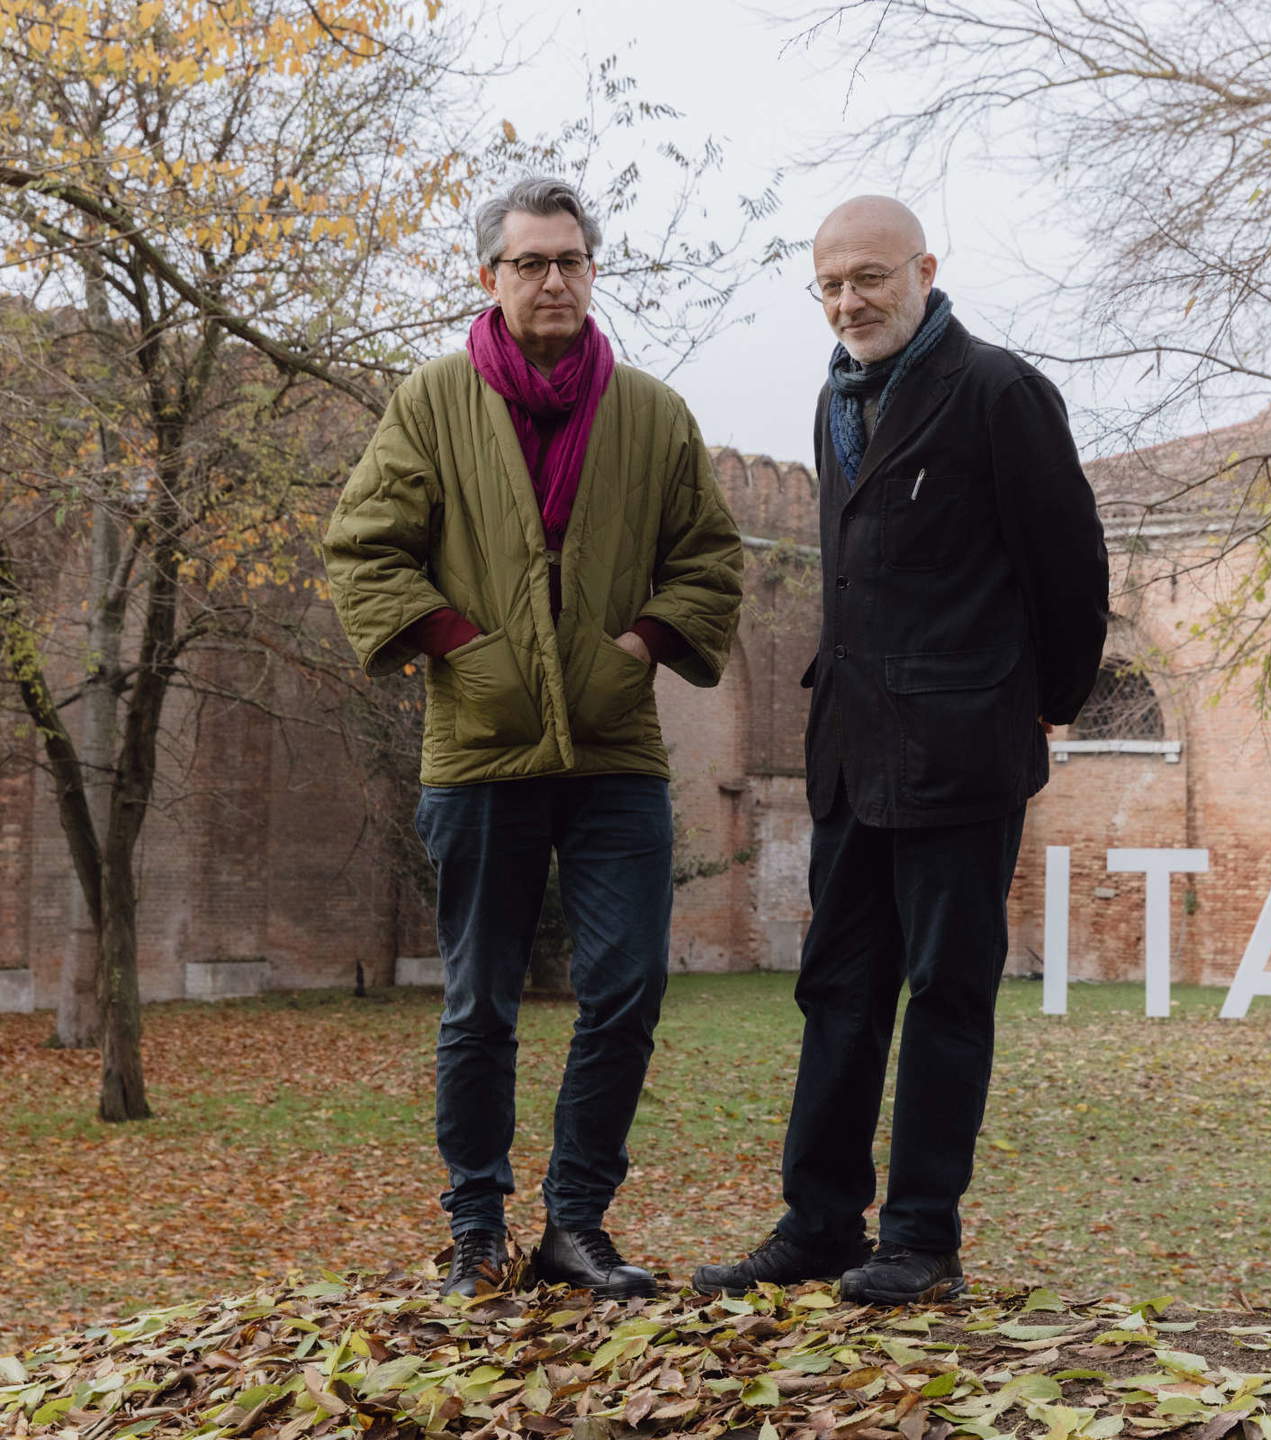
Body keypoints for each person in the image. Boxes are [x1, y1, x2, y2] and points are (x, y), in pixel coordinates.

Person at [324, 176, 742, 1299]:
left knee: (627, 990)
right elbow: (366, 545)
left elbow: (709, 557)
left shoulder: (653, 412)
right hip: (478, 754)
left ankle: (576, 1224)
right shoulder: (433, 401)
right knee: (480, 1005)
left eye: (570, 260)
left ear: (592, 271)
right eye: (528, 263)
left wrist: (642, 646)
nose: (552, 280)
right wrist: (464, 645)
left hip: (616, 754)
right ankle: (474, 1227)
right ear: (489, 278)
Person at [693, 196, 1108, 1304]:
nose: (848, 302)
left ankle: (921, 1239)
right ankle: (820, 1223)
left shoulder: (998, 392)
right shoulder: (835, 400)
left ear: (924, 268)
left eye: (869, 278)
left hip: (964, 751)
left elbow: (1070, 569)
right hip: (853, 754)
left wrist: (1042, 705)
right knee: (837, 992)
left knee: (947, 993)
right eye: (829, 286)